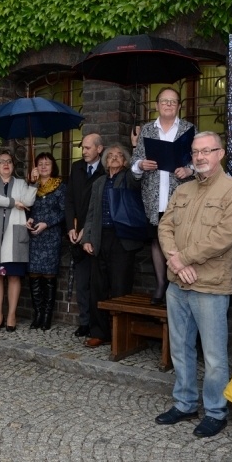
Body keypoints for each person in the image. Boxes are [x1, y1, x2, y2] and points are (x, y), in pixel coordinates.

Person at [155, 131, 232, 438]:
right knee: (180, 349)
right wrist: (175, 260)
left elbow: (222, 239)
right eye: (195, 152)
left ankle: (215, 411)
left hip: (210, 286)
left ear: (220, 153)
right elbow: (165, 226)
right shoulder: (183, 191)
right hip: (177, 284)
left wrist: (183, 260)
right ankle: (184, 403)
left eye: (206, 151)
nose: (199, 157)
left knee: (213, 356)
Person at [131, 87, 195, 305]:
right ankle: (161, 284)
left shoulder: (189, 129)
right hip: (154, 196)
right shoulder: (147, 130)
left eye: (173, 101)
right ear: (157, 105)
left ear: (179, 106)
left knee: (181, 239)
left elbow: (198, 160)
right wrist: (141, 164)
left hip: (181, 195)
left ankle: (178, 285)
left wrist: (190, 170)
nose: (168, 104)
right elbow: (134, 162)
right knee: (158, 240)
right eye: (164, 101)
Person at [81, 143, 143, 348]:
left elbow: (137, 177)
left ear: (125, 161)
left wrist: (135, 148)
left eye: (119, 156)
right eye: (110, 156)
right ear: (105, 162)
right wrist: (87, 239)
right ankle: (100, 332)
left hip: (122, 239)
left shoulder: (128, 178)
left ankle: (121, 334)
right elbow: (91, 213)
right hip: (100, 238)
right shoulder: (99, 182)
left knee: (120, 287)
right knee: (98, 287)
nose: (114, 158)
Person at [0, 149, 37, 332]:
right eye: (1, 161)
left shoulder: (20, 183)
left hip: (15, 234)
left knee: (14, 276)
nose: (6, 164)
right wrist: (14, 203)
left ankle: (11, 314)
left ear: (13, 166)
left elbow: (28, 201)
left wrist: (33, 184)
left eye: (9, 161)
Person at [65, 133, 105, 337]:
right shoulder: (77, 168)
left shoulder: (106, 170)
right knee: (82, 283)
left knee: (96, 283)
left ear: (99, 149)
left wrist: (87, 230)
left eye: (88, 147)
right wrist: (71, 228)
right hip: (77, 234)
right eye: (83, 147)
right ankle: (85, 322)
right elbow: (70, 199)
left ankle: (98, 324)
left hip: (97, 234)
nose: (84, 151)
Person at [27, 152, 66, 330]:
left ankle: (47, 317)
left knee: (48, 278)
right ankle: (38, 314)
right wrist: (28, 219)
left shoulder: (60, 186)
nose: (43, 167)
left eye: (47, 164)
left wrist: (47, 223)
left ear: (53, 166)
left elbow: (64, 211)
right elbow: (26, 207)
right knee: (34, 277)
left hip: (51, 236)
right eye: (40, 164)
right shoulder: (31, 187)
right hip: (34, 237)